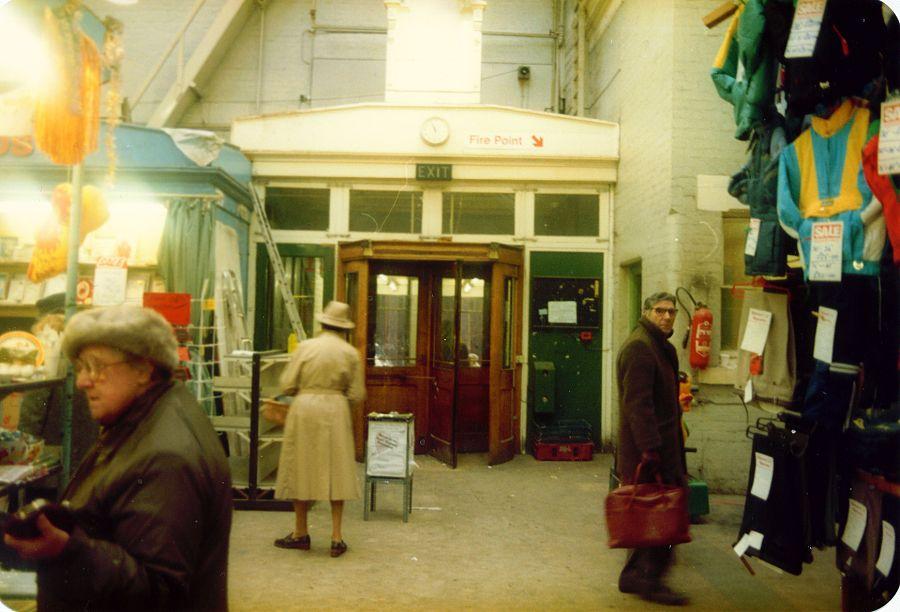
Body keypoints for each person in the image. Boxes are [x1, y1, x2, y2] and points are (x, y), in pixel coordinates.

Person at [3, 304, 233, 611]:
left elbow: (160, 591)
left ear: (144, 368)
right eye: (81, 367)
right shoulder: (145, 419)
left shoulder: (164, 457)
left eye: (96, 366)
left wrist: (67, 551)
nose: (83, 381)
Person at [274, 300, 365, 558]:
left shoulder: (305, 347)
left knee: (300, 467)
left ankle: (300, 533)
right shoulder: (350, 353)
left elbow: (287, 384)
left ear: (322, 322)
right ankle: (336, 537)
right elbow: (357, 394)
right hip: (335, 409)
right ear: (344, 327)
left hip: (305, 408)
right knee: (337, 470)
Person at [615, 291, 689, 606]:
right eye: (660, 311)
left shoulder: (658, 346)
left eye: (672, 312)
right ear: (647, 312)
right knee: (663, 515)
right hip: (650, 451)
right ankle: (651, 581)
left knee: (646, 512)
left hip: (660, 446)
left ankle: (633, 575)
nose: (667, 317)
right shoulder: (641, 348)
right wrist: (650, 451)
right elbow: (638, 405)